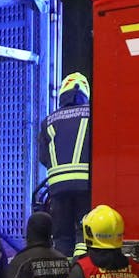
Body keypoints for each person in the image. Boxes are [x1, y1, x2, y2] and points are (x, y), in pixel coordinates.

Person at [36, 73, 93, 258]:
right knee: (83, 235)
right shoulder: (93, 114)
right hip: (86, 185)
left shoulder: (49, 121)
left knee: (62, 237)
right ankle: (80, 274)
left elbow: (43, 157)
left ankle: (61, 276)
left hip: (58, 188)